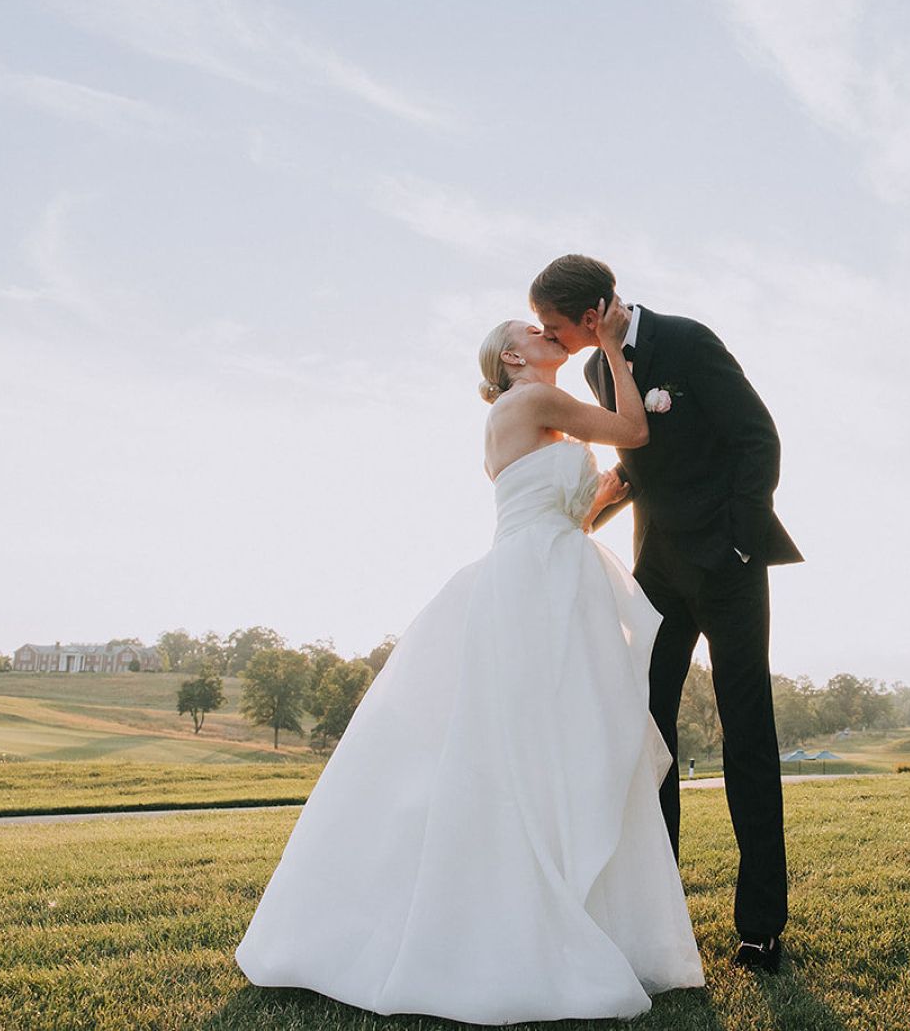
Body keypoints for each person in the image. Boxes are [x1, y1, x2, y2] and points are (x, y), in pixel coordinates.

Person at [235, 299, 704, 1023]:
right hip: (537, 584)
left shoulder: (529, 416)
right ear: (512, 357)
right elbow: (633, 430)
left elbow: (560, 513)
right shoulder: (536, 399)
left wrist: (605, 495)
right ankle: (518, 920)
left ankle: (565, 906)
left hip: (547, 575)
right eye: (533, 332)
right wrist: (613, 346)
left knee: (542, 744)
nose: (546, 334)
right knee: (545, 744)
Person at [530, 254, 802, 974]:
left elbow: (757, 438)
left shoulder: (687, 340)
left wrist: (740, 544)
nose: (550, 338)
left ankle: (761, 928)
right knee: (647, 738)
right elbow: (638, 464)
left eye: (554, 327)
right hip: (654, 575)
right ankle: (658, 918)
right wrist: (583, 517)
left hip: (729, 569)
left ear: (592, 315)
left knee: (747, 736)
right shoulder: (598, 369)